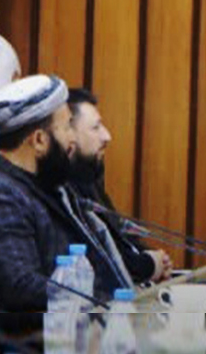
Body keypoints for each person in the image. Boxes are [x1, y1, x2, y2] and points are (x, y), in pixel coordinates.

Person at [0, 75, 139, 313]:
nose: (73, 138)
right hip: (46, 332)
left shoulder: (48, 181)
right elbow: (21, 288)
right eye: (67, 127)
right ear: (39, 141)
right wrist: (100, 303)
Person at [63, 87, 171, 283]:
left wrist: (154, 259)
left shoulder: (88, 177)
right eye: (96, 128)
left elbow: (120, 237)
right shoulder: (64, 189)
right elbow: (100, 259)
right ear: (68, 135)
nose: (107, 136)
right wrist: (148, 265)